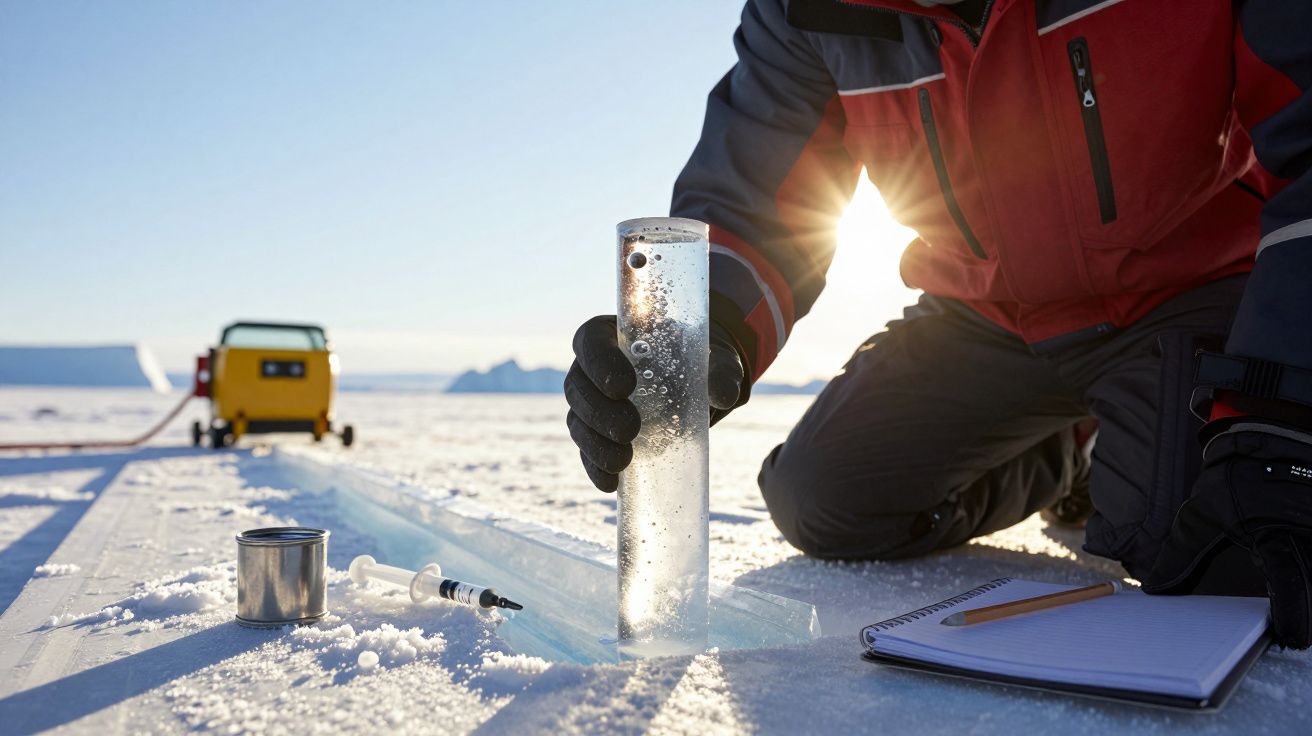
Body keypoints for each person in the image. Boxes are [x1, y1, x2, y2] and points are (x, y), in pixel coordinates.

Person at [564, 0, 1312, 648]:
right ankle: (1069, 452)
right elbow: (756, 202)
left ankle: (1134, 445)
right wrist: (706, 331)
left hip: (1183, 292)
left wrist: (1281, 409)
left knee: (1197, 546)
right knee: (821, 496)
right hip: (983, 319)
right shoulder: (805, 13)